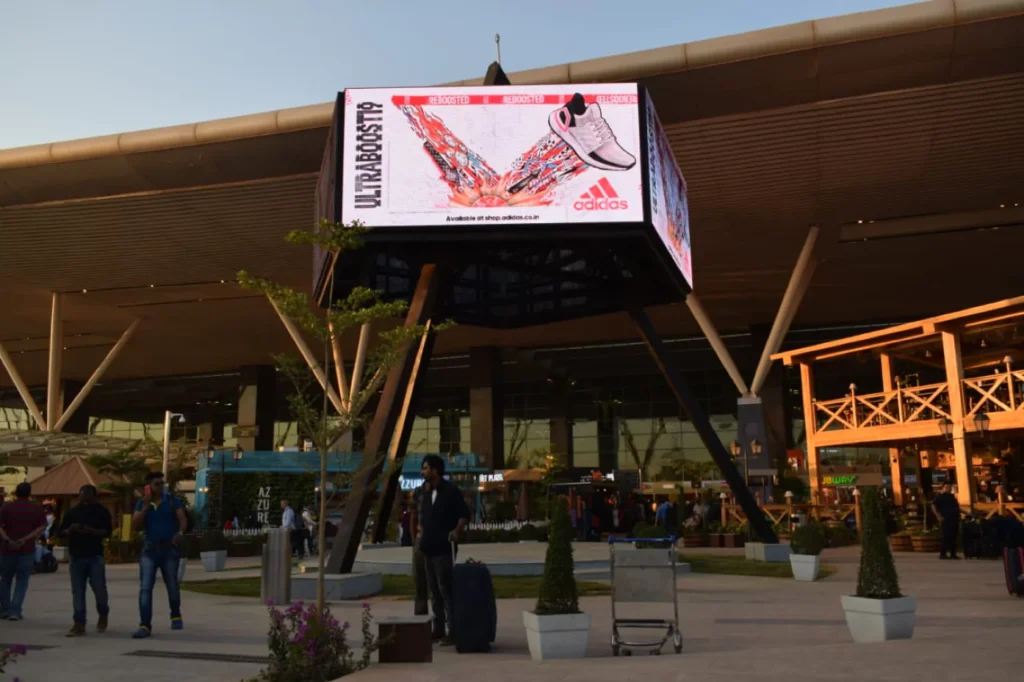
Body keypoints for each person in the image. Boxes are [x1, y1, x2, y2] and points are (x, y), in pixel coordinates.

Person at [418, 455, 469, 644]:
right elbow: (423, 517)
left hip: (444, 547)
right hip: (428, 547)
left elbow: (464, 514)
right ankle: (438, 628)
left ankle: (453, 631)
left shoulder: (451, 491)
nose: (422, 472)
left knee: (445, 589)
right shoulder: (425, 492)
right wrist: (420, 533)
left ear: (435, 470)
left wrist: (456, 531)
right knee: (434, 591)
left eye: (425, 468)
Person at [131, 471, 188, 638]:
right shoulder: (142, 503)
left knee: (171, 583)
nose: (161, 486)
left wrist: (180, 533)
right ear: (148, 487)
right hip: (150, 550)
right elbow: (135, 525)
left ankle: (175, 614)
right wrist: (146, 506)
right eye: (157, 484)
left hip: (169, 549)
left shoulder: (171, 500)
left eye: (162, 483)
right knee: (146, 587)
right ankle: (145, 624)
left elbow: (182, 518)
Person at [59, 484, 112, 636]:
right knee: (78, 591)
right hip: (76, 556)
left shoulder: (102, 512)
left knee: (99, 589)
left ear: (95, 497)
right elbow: (60, 531)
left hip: (94, 555)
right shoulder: (72, 512)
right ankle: (79, 623)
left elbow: (107, 532)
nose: (85, 501)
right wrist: (69, 530)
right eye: (83, 498)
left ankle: (103, 612)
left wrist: (92, 531)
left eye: (89, 498)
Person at [0, 482, 47, 620]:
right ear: (29, 493)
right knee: (22, 581)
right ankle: (15, 610)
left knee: (5, 580)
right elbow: (42, 527)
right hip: (26, 549)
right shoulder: (36, 509)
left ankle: (4, 609)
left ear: (16, 492)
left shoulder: (7, 508)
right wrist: (25, 539)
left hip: (7, 549)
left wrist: (8, 539)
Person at [411, 481, 430, 617]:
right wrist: (414, 541)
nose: (423, 472)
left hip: (438, 541)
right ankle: (420, 616)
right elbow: (413, 516)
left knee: (438, 583)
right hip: (420, 540)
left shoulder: (445, 492)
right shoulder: (418, 492)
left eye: (426, 468)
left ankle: (441, 622)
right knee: (420, 580)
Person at [931, 484, 961, 560]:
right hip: (946, 519)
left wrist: (965, 513)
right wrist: (938, 516)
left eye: (950, 487)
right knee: (946, 536)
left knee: (954, 536)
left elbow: (957, 508)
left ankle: (953, 554)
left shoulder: (952, 497)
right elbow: (933, 506)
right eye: (947, 487)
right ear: (943, 488)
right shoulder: (940, 497)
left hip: (954, 518)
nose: (948, 489)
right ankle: (943, 553)